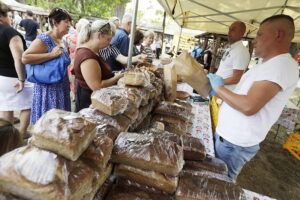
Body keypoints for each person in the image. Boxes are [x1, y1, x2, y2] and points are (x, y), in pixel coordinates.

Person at [206, 15, 299, 181]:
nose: (254, 40)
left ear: (278, 35)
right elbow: (243, 94)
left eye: (260, 34)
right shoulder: (267, 63)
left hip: (234, 142)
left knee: (218, 183)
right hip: (229, 139)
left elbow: (249, 106)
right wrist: (220, 92)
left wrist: (219, 88)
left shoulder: (281, 65)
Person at [22, 7, 72, 124]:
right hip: (48, 89)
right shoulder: (44, 39)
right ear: (55, 23)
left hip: (61, 87)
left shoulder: (62, 40)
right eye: (66, 22)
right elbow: (25, 58)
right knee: (48, 126)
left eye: (70, 22)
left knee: (60, 125)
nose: (69, 25)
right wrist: (51, 55)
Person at [74, 20, 123, 112]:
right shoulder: (87, 56)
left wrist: (113, 74)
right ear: (99, 35)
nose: (109, 43)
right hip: (89, 103)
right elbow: (97, 86)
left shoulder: (93, 52)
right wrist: (118, 77)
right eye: (108, 39)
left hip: (94, 100)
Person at [0, 3, 33, 137]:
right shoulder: (10, 32)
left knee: (5, 106)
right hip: (13, 77)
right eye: (9, 16)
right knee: (29, 103)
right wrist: (22, 79)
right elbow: (18, 58)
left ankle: (6, 139)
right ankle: (22, 133)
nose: (11, 19)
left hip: (1, 78)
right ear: (2, 16)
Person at [215, 21, 250, 91]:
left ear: (241, 33)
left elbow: (236, 79)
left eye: (233, 30)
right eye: (229, 29)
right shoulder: (230, 48)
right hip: (219, 90)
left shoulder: (241, 51)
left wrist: (217, 82)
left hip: (226, 93)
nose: (229, 32)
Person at [65, 18, 89, 102]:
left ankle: (73, 95)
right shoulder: (87, 39)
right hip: (83, 61)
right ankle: (78, 95)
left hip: (71, 61)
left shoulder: (68, 37)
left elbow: (66, 51)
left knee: (72, 79)